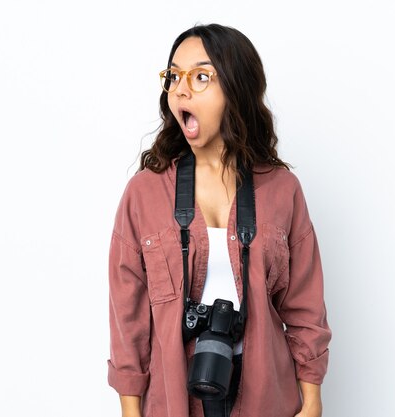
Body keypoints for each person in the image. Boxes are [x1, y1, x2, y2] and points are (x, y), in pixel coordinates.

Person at [107, 23, 332, 417]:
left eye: (201, 76)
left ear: (236, 87)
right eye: (174, 76)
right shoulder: (144, 194)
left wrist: (311, 400)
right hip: (174, 400)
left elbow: (305, 307)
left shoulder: (282, 190)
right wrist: (130, 410)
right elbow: (128, 318)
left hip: (267, 398)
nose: (180, 89)